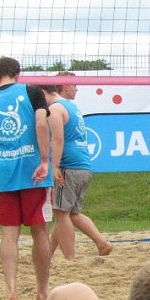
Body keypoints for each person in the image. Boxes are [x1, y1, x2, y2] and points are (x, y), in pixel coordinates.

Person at [0, 56, 52, 300]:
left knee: (9, 234)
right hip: (33, 173)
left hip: (3, 175)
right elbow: (41, 124)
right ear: (17, 73)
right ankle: (42, 290)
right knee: (40, 232)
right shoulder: (32, 92)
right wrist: (45, 160)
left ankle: (11, 290)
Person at [41, 72, 113, 260]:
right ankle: (100, 243)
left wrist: (55, 166)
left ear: (43, 92)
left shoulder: (55, 109)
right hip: (82, 164)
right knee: (69, 213)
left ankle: (70, 258)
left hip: (68, 165)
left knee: (61, 214)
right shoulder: (71, 106)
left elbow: (58, 140)